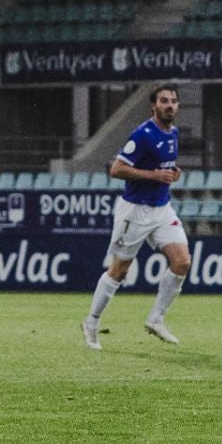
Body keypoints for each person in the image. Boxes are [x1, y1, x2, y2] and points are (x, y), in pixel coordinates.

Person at [82, 83, 189, 350]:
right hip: (135, 210)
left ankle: (156, 318)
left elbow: (164, 167)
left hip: (162, 208)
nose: (169, 105)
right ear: (154, 105)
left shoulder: (173, 132)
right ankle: (92, 322)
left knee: (182, 262)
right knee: (119, 271)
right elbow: (116, 169)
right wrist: (154, 175)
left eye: (173, 101)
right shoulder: (142, 135)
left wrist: (173, 174)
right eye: (164, 101)